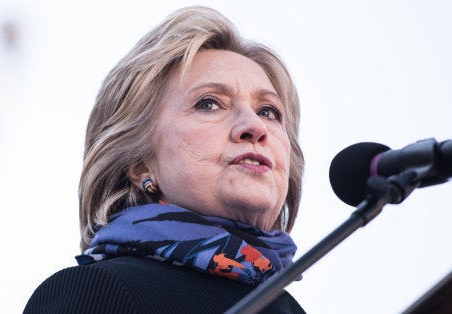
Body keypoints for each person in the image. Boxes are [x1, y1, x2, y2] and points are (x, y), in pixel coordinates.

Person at [24, 5, 305, 313]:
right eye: (209, 104)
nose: (255, 126)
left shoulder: (287, 307)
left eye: (268, 111)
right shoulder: (98, 289)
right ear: (141, 163)